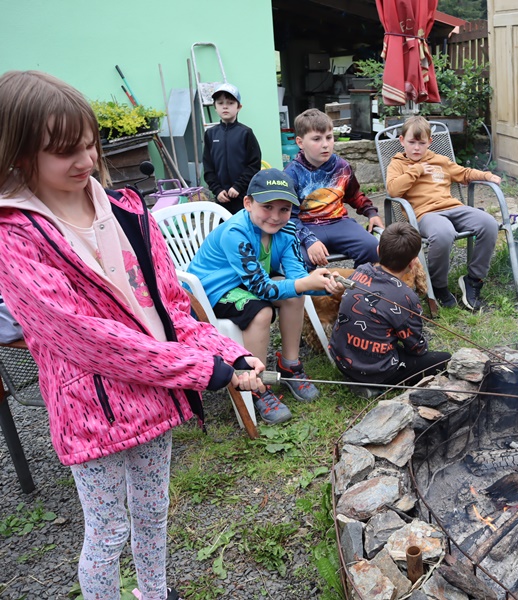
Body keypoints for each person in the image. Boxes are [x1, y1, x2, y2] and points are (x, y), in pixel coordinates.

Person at [0, 70, 266, 600]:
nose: (85, 160)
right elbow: (90, 340)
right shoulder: (14, 236)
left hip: (154, 395)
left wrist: (230, 354)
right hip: (93, 414)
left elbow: (172, 309)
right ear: (19, 152)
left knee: (153, 515)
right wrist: (202, 371)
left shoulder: (125, 210)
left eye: (89, 144)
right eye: (62, 151)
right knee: (107, 533)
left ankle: (155, 593)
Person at [187, 168, 344, 422]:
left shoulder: (288, 231)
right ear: (248, 203)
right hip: (210, 292)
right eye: (267, 207)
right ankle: (257, 384)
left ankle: (290, 365)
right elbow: (262, 289)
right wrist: (306, 284)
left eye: (284, 209)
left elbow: (297, 280)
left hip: (248, 283)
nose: (275, 216)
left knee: (292, 294)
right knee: (261, 311)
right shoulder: (235, 233)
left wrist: (326, 285)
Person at [386, 116, 502, 310]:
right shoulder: (397, 164)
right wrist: (416, 170)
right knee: (444, 233)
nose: (416, 148)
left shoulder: (440, 161)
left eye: (421, 143)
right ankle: (438, 286)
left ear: (429, 142)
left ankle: (473, 280)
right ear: (401, 141)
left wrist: (487, 175)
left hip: (453, 207)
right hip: (425, 214)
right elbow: (393, 190)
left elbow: (464, 174)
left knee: (489, 223)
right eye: (411, 142)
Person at [329, 222, 451, 385]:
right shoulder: (406, 297)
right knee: (445, 359)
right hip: (376, 372)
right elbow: (416, 347)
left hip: (341, 359)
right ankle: (374, 385)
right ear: (412, 263)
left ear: (378, 250)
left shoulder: (360, 270)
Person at [284, 108, 383, 268]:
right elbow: (289, 218)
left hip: (338, 222)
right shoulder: (291, 174)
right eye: (316, 139)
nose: (325, 144)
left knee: (373, 247)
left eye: (329, 138)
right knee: (297, 260)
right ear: (300, 142)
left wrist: (371, 213)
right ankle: (313, 292)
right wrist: (309, 241)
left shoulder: (342, 166)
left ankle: (359, 289)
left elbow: (354, 195)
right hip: (306, 227)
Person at [201, 82, 262, 215]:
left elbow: (254, 164)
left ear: (239, 107)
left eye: (230, 103)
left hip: (243, 196)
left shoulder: (246, 133)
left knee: (244, 229)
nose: (225, 107)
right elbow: (208, 167)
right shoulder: (210, 134)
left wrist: (239, 187)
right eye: (220, 103)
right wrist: (216, 190)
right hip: (221, 198)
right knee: (224, 231)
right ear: (215, 107)